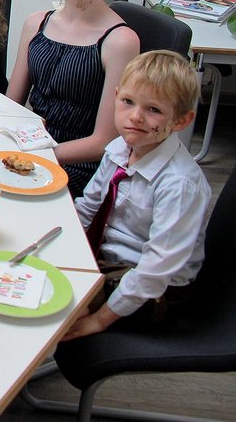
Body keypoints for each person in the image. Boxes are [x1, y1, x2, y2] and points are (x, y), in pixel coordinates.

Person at [62, 51, 208, 340]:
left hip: (152, 286)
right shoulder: (120, 148)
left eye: (154, 110)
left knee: (51, 300)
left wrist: (100, 320)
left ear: (181, 121)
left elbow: (155, 270)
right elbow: (88, 207)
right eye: (128, 102)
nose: (136, 117)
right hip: (108, 257)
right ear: (116, 97)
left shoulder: (179, 184)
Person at [8, 0, 140, 196]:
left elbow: (104, 140)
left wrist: (35, 157)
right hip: (31, 148)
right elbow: (11, 106)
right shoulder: (35, 24)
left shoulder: (120, 41)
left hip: (81, 168)